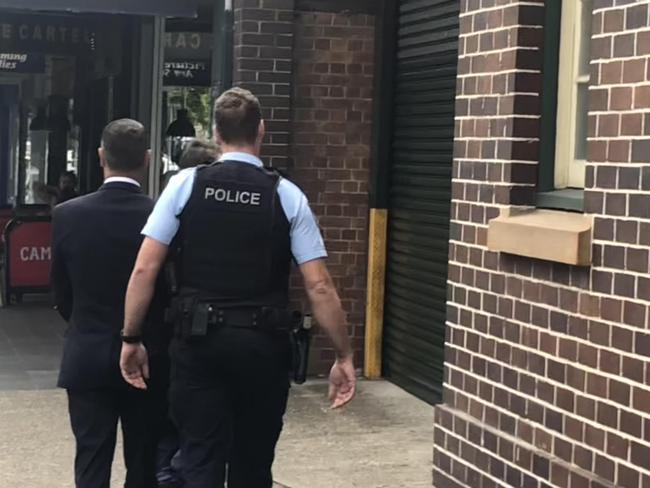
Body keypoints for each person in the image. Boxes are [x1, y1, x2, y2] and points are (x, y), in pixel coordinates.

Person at [119, 87, 356, 488]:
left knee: (199, 460)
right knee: (253, 462)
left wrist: (131, 337)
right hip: (262, 349)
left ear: (216, 132)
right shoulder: (287, 195)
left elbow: (144, 269)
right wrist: (344, 354)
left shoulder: (185, 185)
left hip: (198, 346)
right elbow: (319, 285)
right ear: (261, 131)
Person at [51, 119, 169, 488]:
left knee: (91, 458)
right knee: (144, 459)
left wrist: (84, 321)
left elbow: (61, 291)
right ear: (147, 160)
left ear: (101, 156)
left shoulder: (68, 215)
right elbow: (166, 288)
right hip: (148, 354)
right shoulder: (161, 216)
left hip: (87, 350)